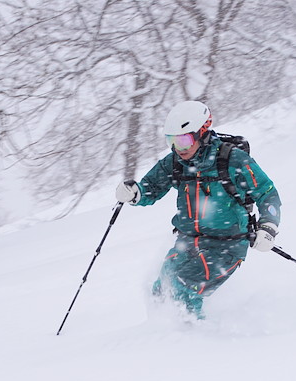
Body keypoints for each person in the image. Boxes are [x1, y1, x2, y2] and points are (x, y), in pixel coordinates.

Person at [115, 100, 282, 319]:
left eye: (184, 140)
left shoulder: (233, 160)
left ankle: (193, 343)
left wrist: (267, 227)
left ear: (202, 133)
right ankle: (158, 337)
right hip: (188, 241)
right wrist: (134, 193)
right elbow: (150, 189)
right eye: (171, 141)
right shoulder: (175, 162)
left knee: (184, 288)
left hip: (227, 245)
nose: (178, 148)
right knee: (160, 290)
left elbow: (268, 194)